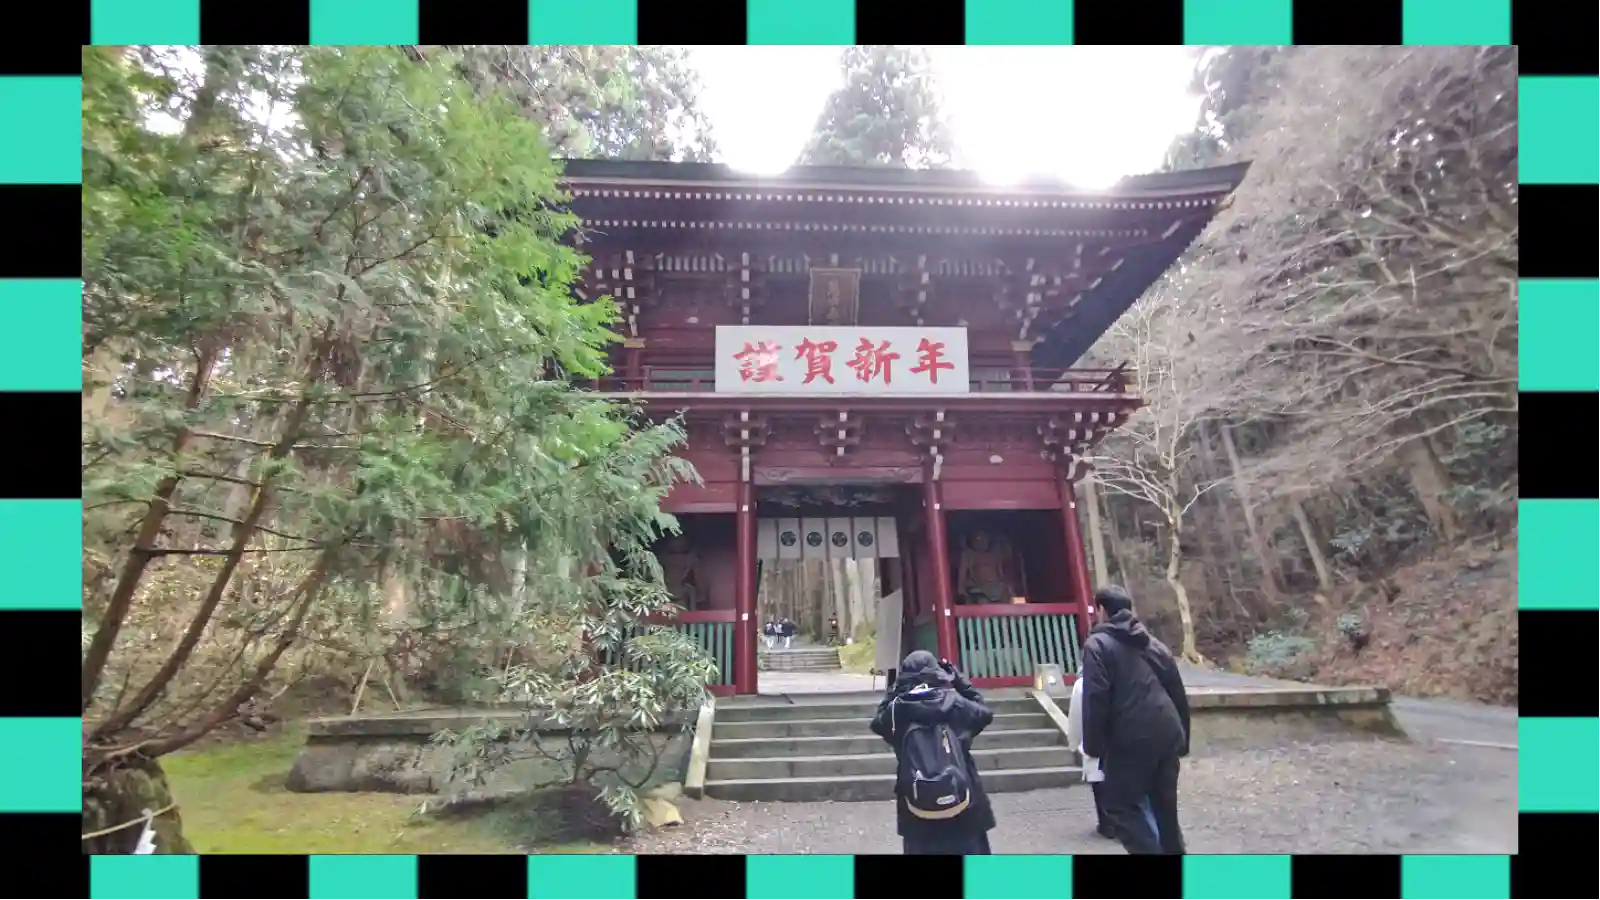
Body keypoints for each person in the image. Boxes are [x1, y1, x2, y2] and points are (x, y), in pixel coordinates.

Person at [1079, 585, 1192, 855]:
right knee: (1165, 810)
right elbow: (1177, 693)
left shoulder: (1097, 645)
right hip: (1167, 733)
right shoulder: (1154, 644)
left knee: (1119, 806)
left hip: (1130, 738)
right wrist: (1184, 738)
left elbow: (1096, 697)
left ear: (1102, 610)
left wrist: (1093, 745)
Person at [870, 650, 997, 855]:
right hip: (963, 800)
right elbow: (984, 714)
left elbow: (878, 723)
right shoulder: (955, 703)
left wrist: (895, 688)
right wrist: (959, 681)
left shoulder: (896, 711)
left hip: (918, 806)